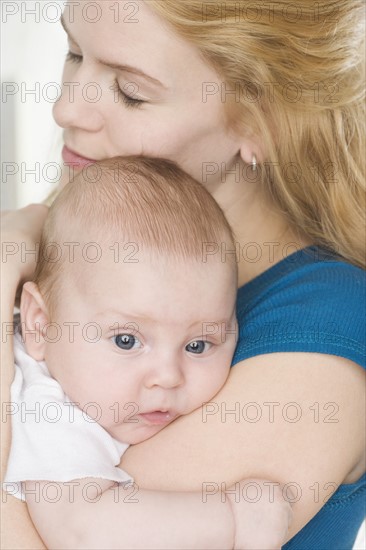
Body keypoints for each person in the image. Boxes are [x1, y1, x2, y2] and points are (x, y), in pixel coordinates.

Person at [1, 1, 365, 549]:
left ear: (259, 122)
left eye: (131, 92)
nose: (66, 108)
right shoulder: (73, 254)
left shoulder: (326, 328)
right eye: (74, 53)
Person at [3, 156, 292, 549]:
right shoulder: (48, 409)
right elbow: (81, 531)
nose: (168, 376)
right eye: (126, 340)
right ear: (40, 323)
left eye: (197, 345)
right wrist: (235, 516)